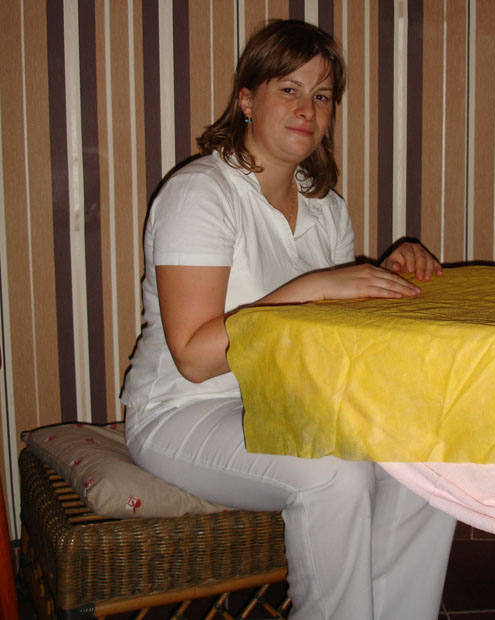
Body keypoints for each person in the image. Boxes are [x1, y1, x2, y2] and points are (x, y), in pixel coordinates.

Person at [121, 19, 455, 620]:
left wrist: (385, 275)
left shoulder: (325, 207)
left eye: (322, 96)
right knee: (334, 474)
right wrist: (316, 286)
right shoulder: (201, 194)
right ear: (247, 99)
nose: (308, 109)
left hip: (288, 401)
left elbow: (331, 335)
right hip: (183, 413)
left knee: (432, 454)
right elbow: (194, 357)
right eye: (289, 89)